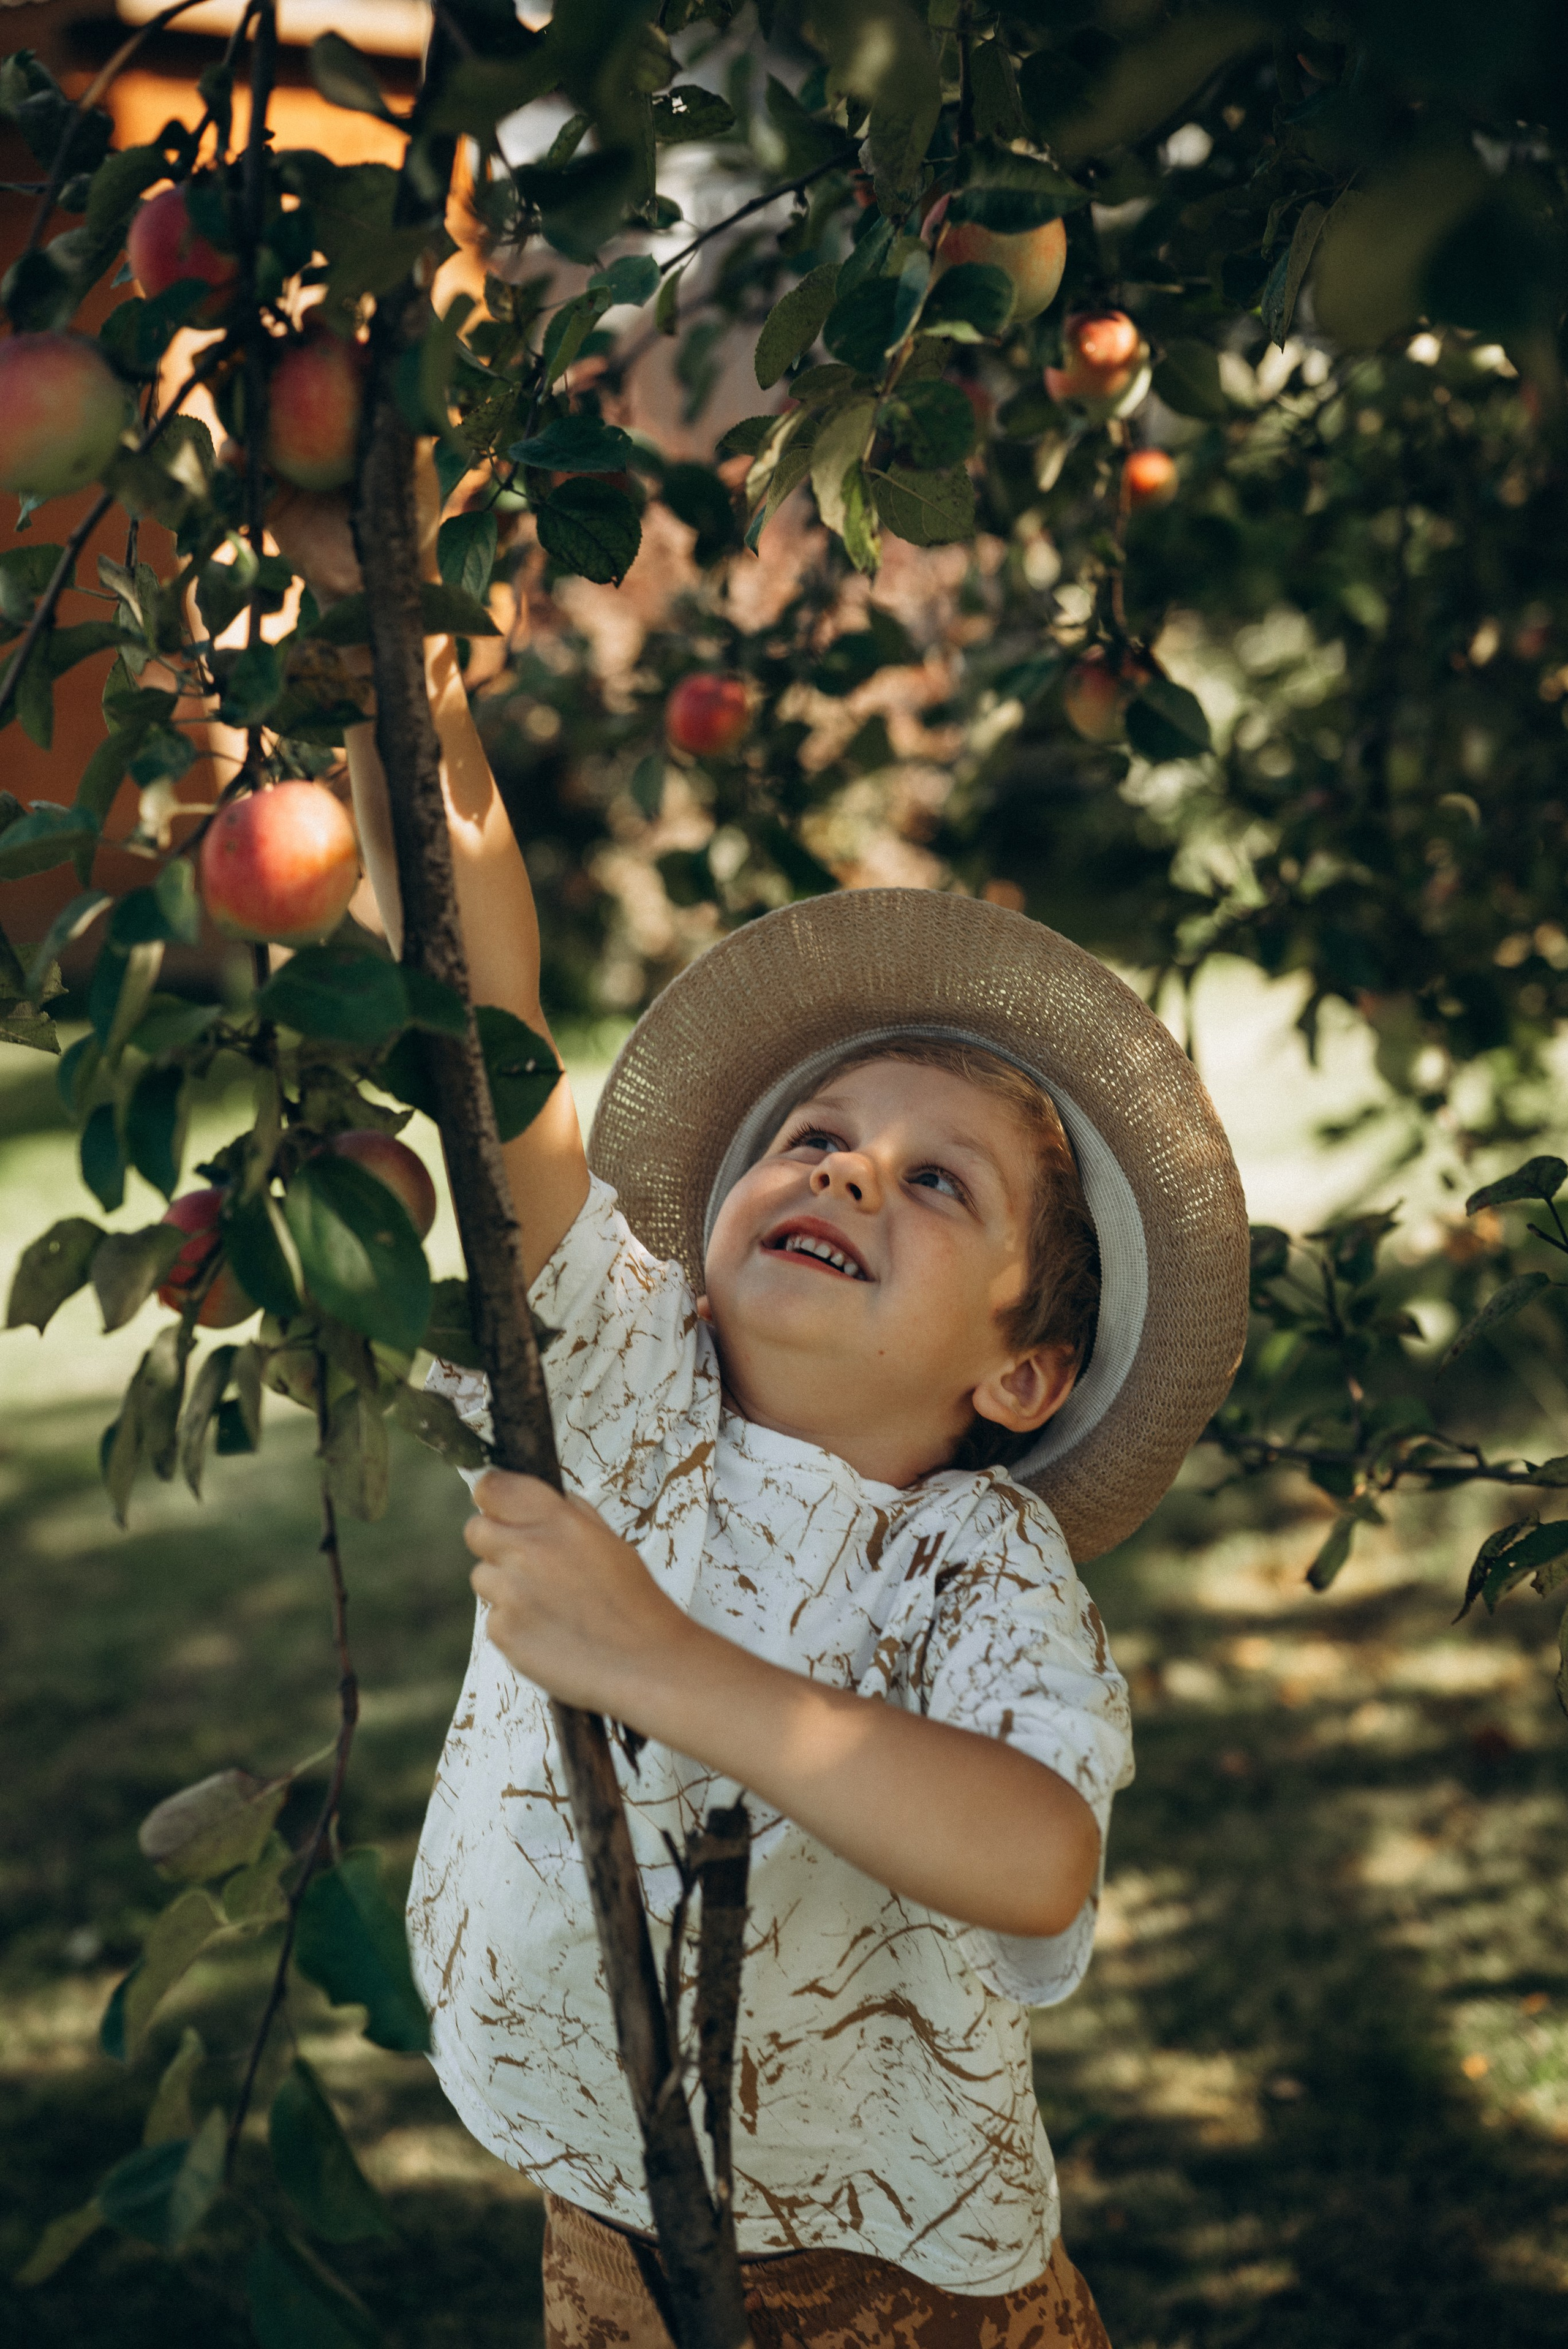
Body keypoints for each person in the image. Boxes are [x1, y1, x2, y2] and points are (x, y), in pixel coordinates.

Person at [274, 461, 1249, 2349]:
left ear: (1020, 1371)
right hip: (597, 2216)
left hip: (897, 2275)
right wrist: (422, 681)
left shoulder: (975, 1555)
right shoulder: (628, 1373)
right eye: (816, 1139)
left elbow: (1040, 1848)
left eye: (935, 1180)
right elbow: (485, 1028)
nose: (851, 1175)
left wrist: (657, 1658)